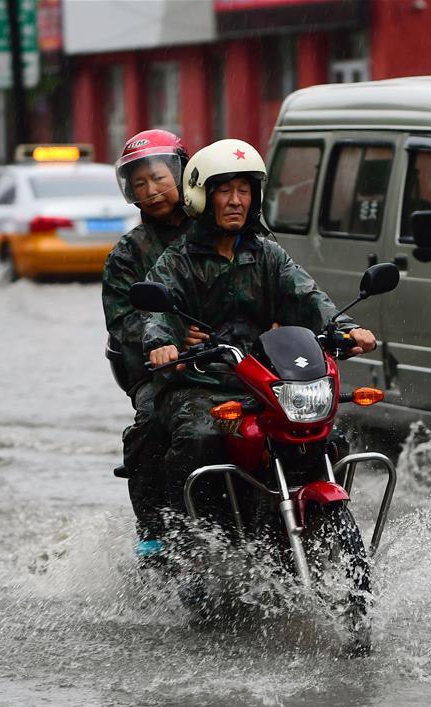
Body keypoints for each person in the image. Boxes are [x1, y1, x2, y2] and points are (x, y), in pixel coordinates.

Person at [141, 139, 377, 518]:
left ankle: (315, 522)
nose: (236, 200)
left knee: (329, 438)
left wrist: (345, 329)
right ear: (201, 196)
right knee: (199, 440)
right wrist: (162, 343)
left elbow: (307, 296)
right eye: (225, 190)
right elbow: (158, 313)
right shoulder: (177, 262)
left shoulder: (268, 253)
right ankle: (192, 538)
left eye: (244, 190)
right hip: (203, 385)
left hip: (267, 382)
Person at [102, 129, 203, 562]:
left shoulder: (219, 228)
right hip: (159, 369)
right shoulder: (128, 253)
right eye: (139, 184)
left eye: (159, 178)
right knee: (150, 425)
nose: (151, 190)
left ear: (182, 174)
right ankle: (155, 530)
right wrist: (173, 339)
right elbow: (125, 321)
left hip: (233, 361)